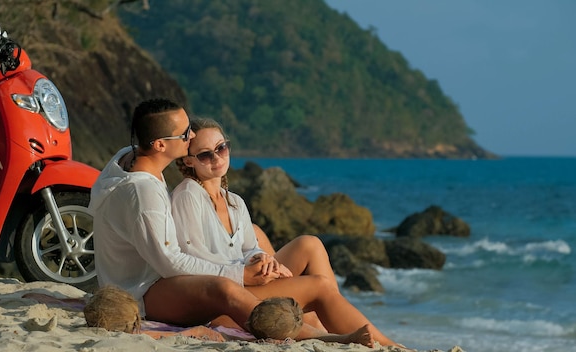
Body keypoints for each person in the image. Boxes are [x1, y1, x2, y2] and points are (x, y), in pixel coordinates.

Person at [88, 98, 384, 347]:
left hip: (153, 278)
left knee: (299, 246)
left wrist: (256, 261)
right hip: (142, 290)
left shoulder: (129, 158)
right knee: (225, 289)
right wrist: (240, 274)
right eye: (186, 135)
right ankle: (329, 338)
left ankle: (339, 329)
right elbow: (170, 263)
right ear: (160, 145)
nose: (191, 137)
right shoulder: (145, 192)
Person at [170, 117, 403, 347]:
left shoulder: (234, 201)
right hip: (224, 299)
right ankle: (388, 346)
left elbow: (250, 248)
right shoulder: (188, 195)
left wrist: (264, 260)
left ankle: (326, 327)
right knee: (318, 286)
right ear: (190, 161)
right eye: (205, 154)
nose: (217, 157)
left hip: (245, 280)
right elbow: (194, 261)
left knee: (309, 244)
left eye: (221, 148)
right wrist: (243, 272)